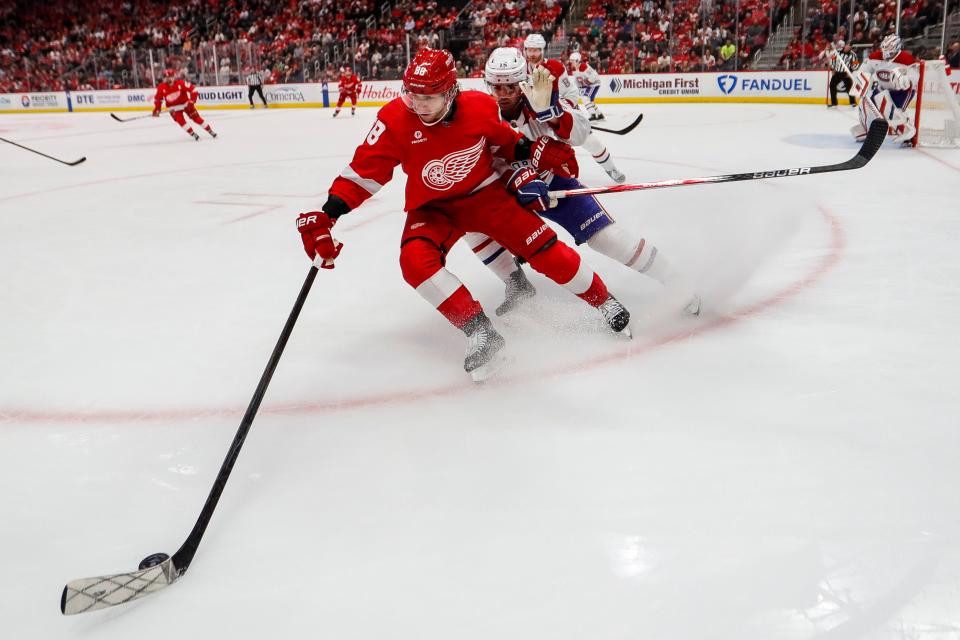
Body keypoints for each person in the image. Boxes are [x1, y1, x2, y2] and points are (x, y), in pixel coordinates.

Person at [296, 48, 631, 380]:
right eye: (412, 95)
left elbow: (506, 144)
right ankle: (480, 332)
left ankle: (604, 301)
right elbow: (363, 174)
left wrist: (533, 152)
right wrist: (328, 216)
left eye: (429, 97)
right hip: (433, 207)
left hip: (486, 195)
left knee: (544, 250)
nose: (418, 105)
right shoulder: (393, 120)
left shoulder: (481, 106)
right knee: (414, 263)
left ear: (451, 91)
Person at [467, 47, 699, 317]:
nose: (503, 94)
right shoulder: (480, 112)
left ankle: (676, 281)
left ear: (522, 83)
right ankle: (515, 283)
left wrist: (552, 113)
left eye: (510, 86)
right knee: (472, 222)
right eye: (497, 87)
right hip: (512, 192)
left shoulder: (541, 96)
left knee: (609, 240)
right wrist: (516, 174)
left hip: (553, 184)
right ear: (488, 84)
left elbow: (581, 133)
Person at [523, 33, 626, 184]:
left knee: (592, 143)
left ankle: (611, 168)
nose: (532, 54)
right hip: (535, 120)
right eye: (529, 50)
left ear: (542, 50)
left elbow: (570, 93)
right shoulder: (520, 69)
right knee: (534, 149)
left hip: (558, 116)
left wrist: (563, 111)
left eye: (536, 50)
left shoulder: (555, 66)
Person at [850, 34, 918, 144]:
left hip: (902, 91)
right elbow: (864, 69)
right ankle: (867, 129)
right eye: (884, 50)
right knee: (865, 103)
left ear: (897, 48)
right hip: (883, 88)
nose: (886, 54)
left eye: (889, 51)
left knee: (894, 112)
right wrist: (859, 78)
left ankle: (905, 129)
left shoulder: (907, 59)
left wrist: (907, 80)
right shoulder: (875, 56)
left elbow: (914, 77)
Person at [152, 69, 217, 141]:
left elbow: (193, 90)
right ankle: (192, 133)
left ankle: (210, 130)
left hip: (186, 104)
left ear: (174, 76)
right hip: (173, 108)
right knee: (180, 120)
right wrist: (157, 109)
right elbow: (158, 100)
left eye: (170, 76)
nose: (168, 79)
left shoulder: (181, 83)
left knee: (196, 118)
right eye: (166, 77)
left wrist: (192, 101)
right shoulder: (161, 87)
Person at [566, 51, 605, 121]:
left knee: (585, 97)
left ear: (577, 60)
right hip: (589, 86)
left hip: (594, 84)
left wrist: (588, 82)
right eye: (570, 60)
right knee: (590, 101)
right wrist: (579, 88)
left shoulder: (583, 66)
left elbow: (594, 75)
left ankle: (593, 114)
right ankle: (599, 115)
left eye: (572, 61)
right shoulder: (574, 69)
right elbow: (577, 81)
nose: (570, 62)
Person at [822, 40, 858, 107]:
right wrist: (832, 69)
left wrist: (850, 72)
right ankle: (834, 102)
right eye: (847, 45)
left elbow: (855, 64)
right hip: (837, 72)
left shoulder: (853, 55)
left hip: (846, 74)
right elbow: (833, 60)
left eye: (849, 46)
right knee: (832, 86)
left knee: (849, 88)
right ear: (845, 46)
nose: (848, 47)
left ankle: (853, 102)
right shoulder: (837, 52)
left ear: (851, 47)